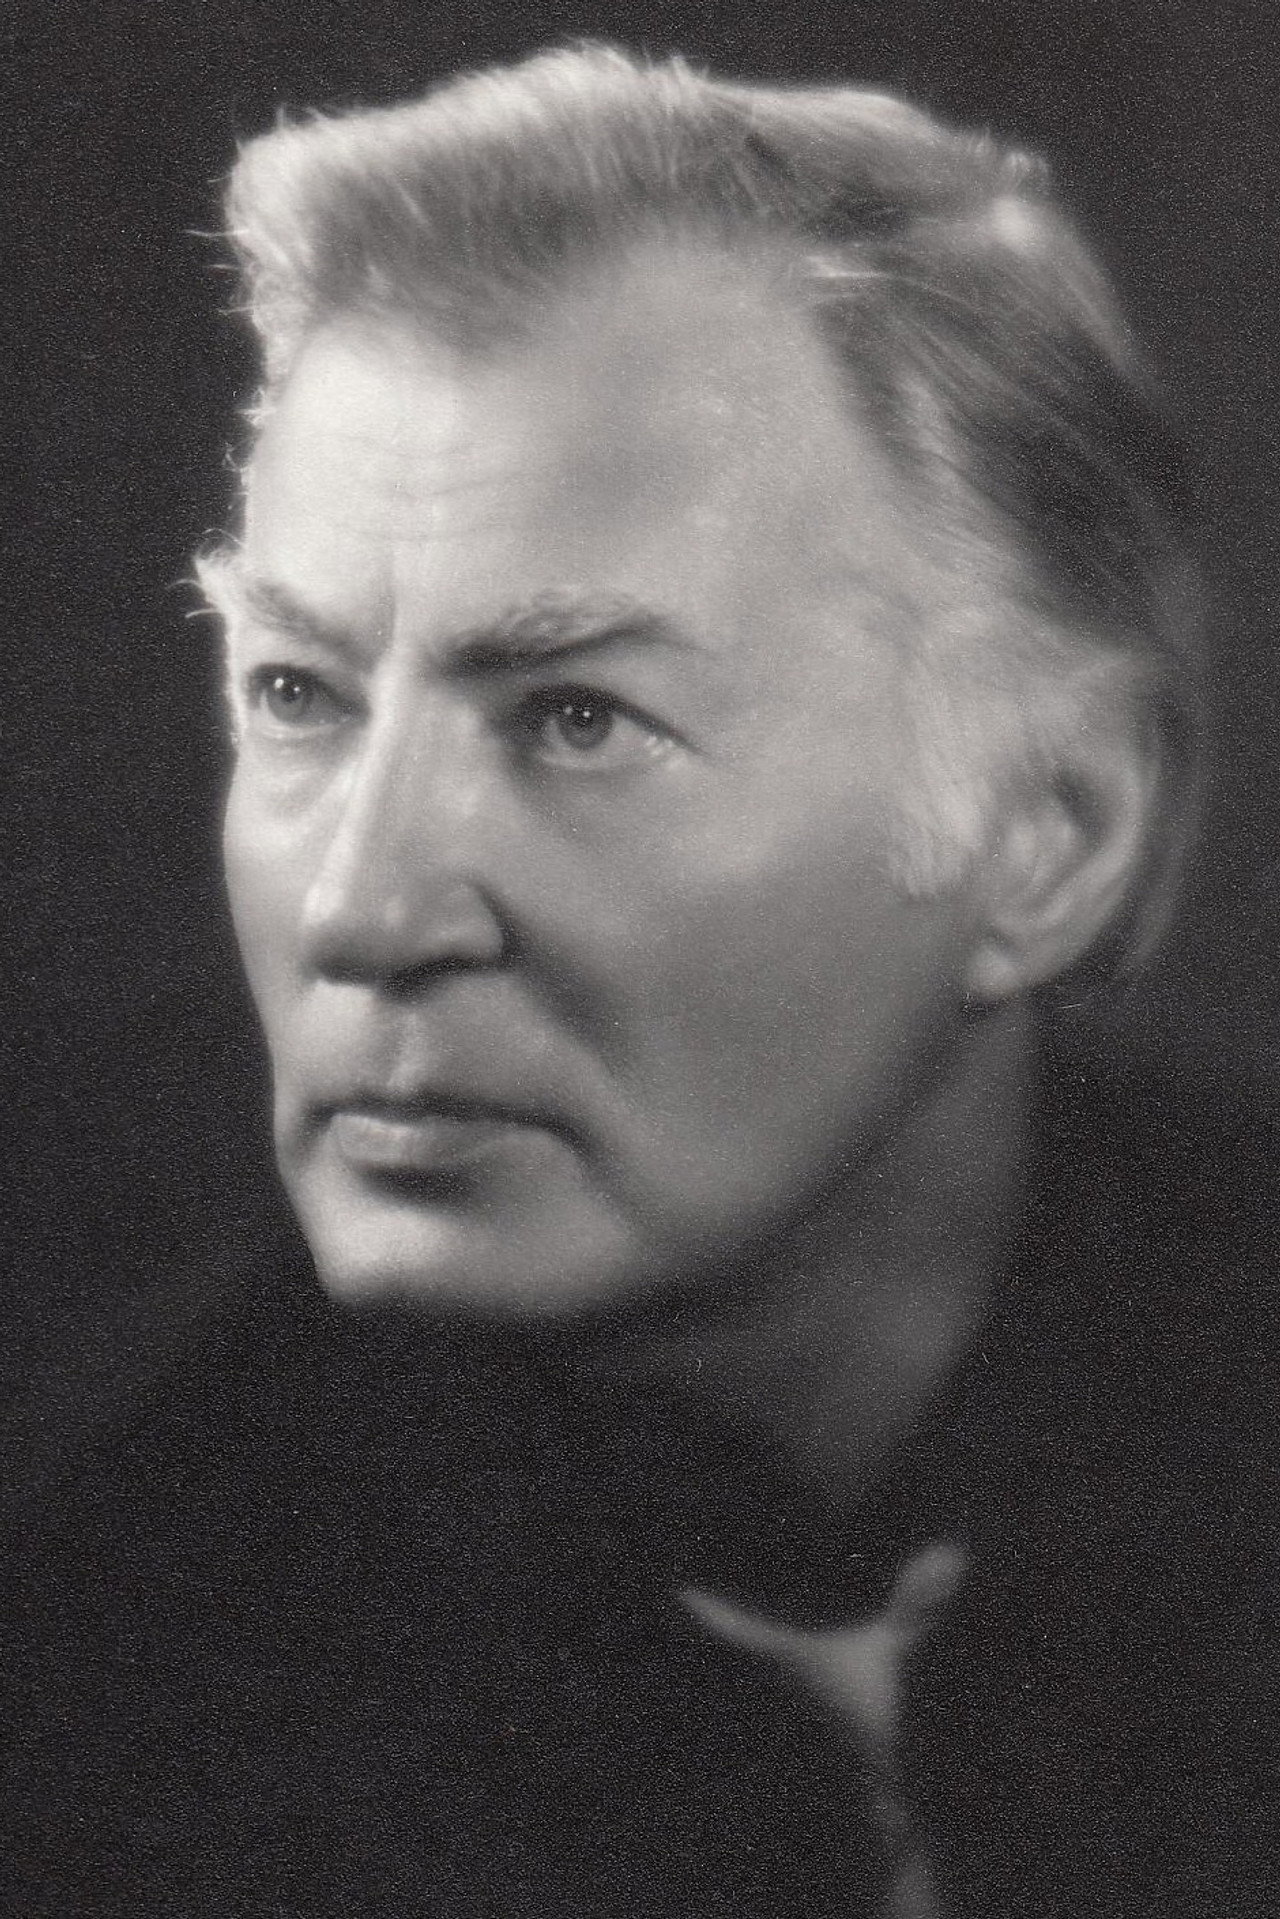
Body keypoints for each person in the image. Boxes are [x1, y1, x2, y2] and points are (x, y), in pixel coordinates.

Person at [4, 42, 1275, 1917]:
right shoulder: (92, 1665)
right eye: (299, 693)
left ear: (1049, 833)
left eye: (579, 718)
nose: (360, 909)